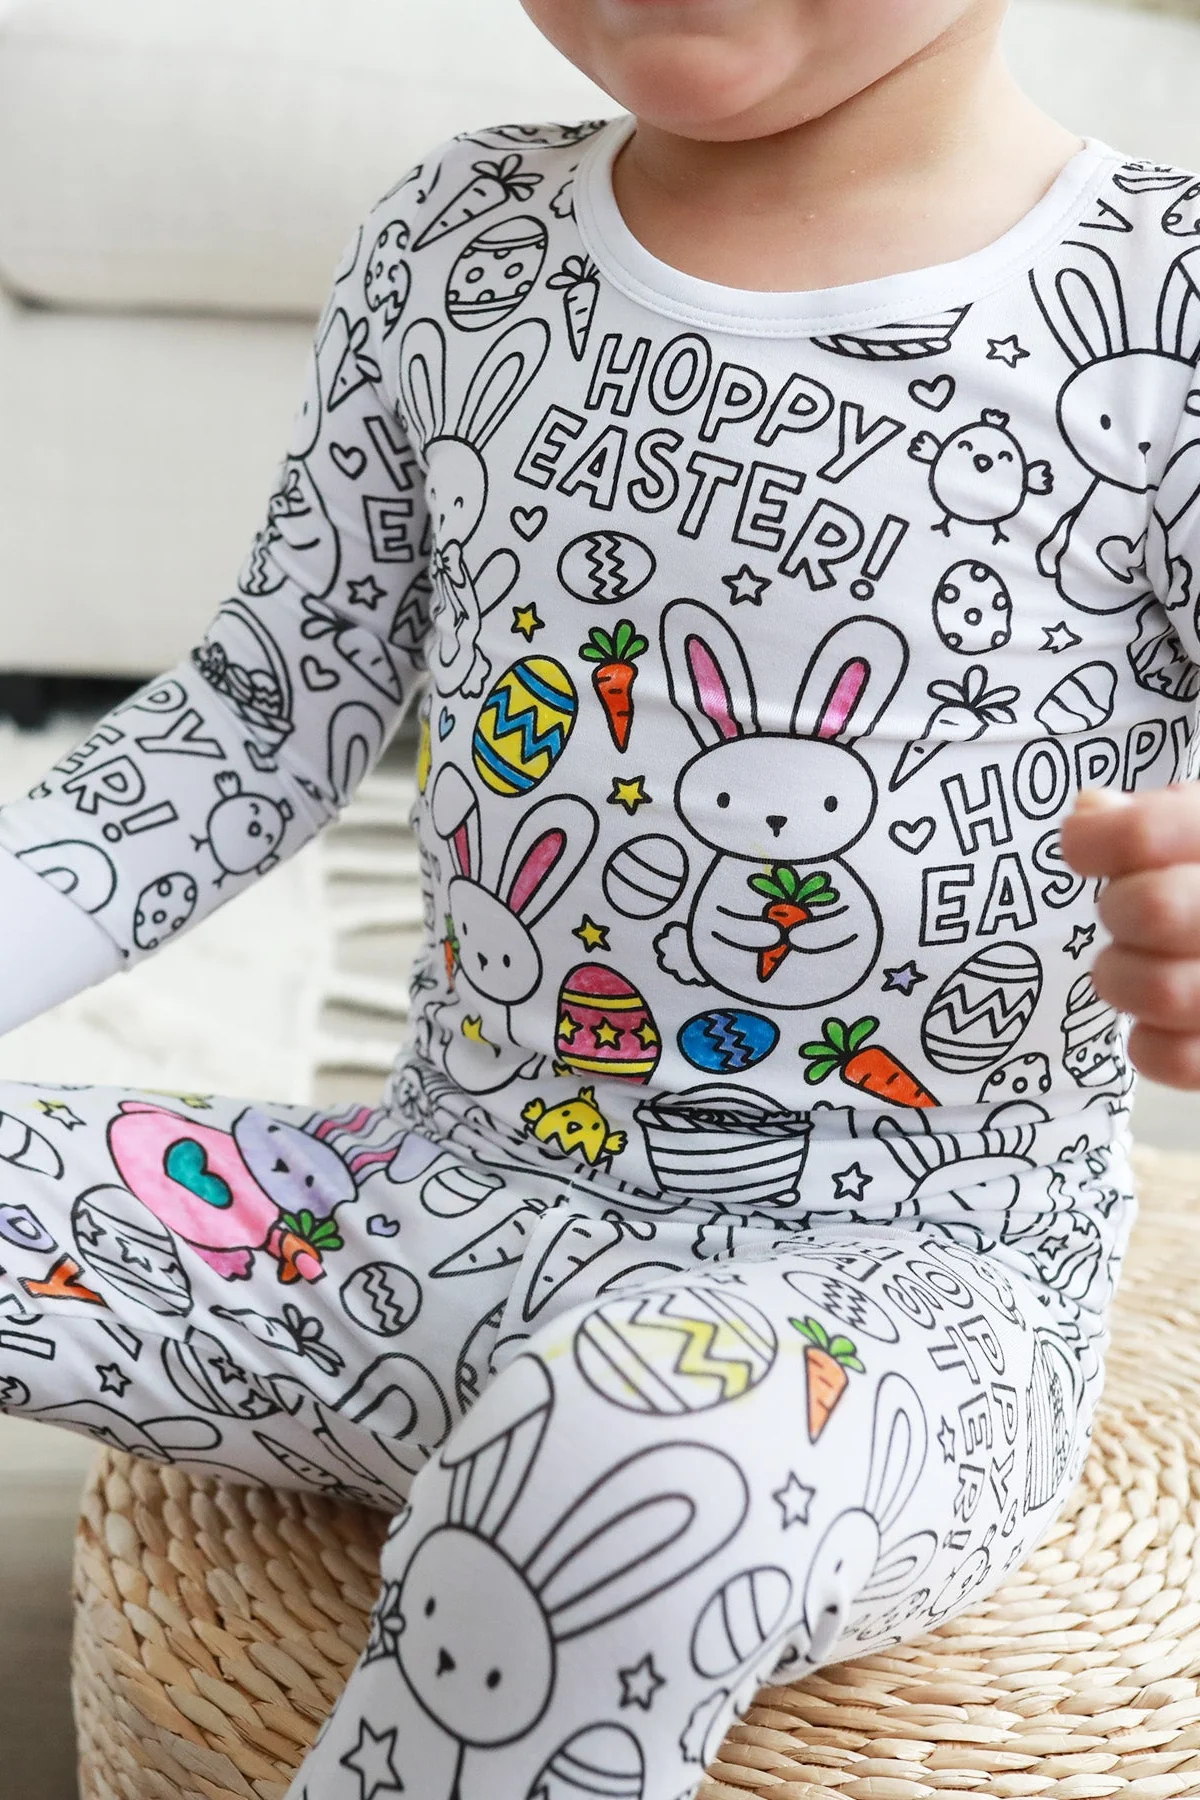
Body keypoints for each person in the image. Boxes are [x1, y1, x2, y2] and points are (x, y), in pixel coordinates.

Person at [1, 1, 1198, 1793]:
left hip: (895, 1307)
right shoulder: (456, 236)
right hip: (418, 1220)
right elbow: (255, 720)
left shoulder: (1161, 303)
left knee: (627, 1453)